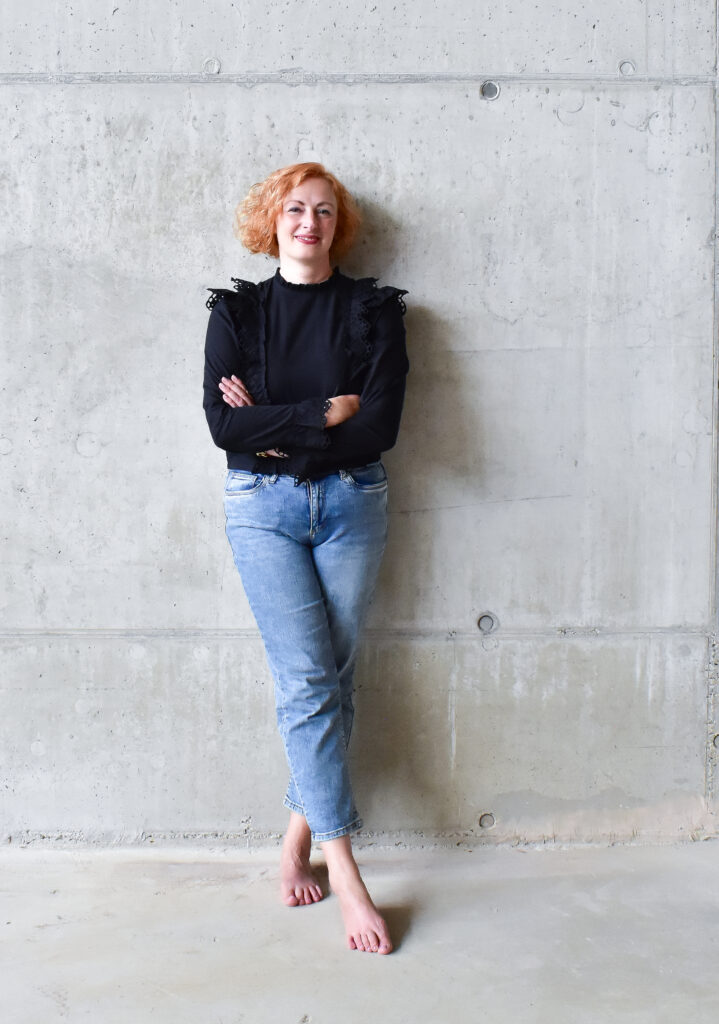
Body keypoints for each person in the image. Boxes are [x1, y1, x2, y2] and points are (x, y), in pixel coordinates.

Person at [202, 162, 408, 955]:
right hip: (262, 511)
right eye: (294, 209)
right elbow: (223, 430)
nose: (308, 223)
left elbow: (379, 428)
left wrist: (276, 427)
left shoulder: (375, 312)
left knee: (332, 680)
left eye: (323, 211)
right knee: (308, 682)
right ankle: (346, 871)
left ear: (337, 226)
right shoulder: (235, 312)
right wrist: (324, 411)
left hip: (353, 504)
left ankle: (295, 841)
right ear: (272, 220)